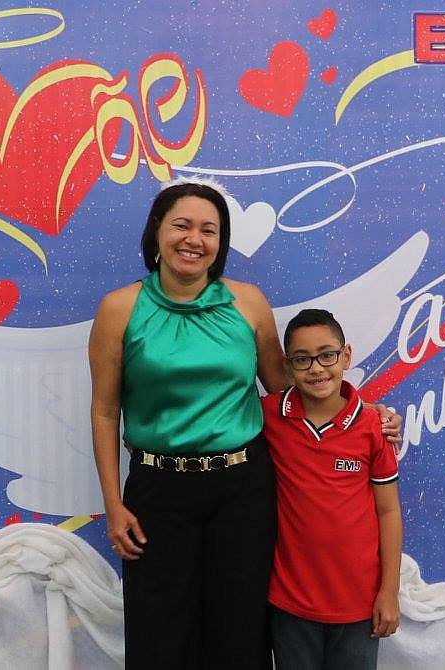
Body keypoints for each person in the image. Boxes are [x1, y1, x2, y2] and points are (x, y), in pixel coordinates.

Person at [88, 180, 401, 669]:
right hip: (157, 491)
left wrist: (366, 413)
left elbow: (287, 391)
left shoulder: (249, 303)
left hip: (243, 491)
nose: (195, 239)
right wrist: (112, 503)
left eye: (209, 230)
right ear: (157, 232)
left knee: (240, 631)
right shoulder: (119, 309)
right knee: (158, 633)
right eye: (182, 225)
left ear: (221, 242)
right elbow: (105, 411)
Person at [262, 308, 403, 670]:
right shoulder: (269, 416)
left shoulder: (374, 426)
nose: (317, 368)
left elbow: (388, 511)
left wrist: (389, 592)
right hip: (291, 604)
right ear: (288, 365)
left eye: (327, 355)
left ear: (346, 356)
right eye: (302, 359)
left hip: (358, 605)